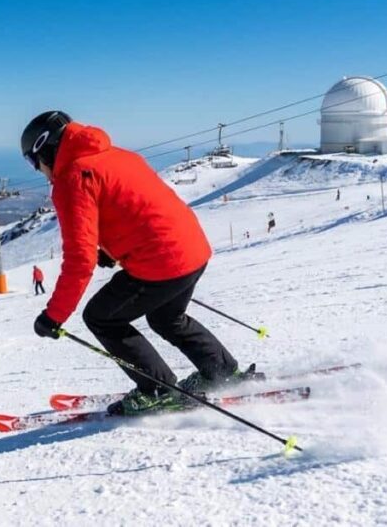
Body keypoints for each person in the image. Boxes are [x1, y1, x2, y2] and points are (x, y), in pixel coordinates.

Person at [21, 111, 256, 416]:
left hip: (162, 262)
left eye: (31, 161)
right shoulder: (117, 155)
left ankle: (158, 389)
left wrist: (54, 316)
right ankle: (221, 372)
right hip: (193, 249)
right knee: (167, 318)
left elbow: (78, 260)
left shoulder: (72, 178)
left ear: (45, 147)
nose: (38, 170)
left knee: (101, 317)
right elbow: (135, 206)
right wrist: (108, 249)